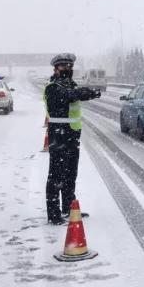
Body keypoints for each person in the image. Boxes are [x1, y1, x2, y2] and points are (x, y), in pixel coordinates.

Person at [43, 53, 101, 225]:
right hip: (58, 135)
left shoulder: (70, 85)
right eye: (63, 66)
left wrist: (85, 92)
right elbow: (67, 96)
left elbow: (73, 94)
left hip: (72, 135)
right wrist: (87, 92)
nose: (67, 68)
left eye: (69, 66)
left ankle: (69, 208)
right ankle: (54, 215)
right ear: (55, 69)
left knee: (70, 175)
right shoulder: (53, 87)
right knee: (56, 177)